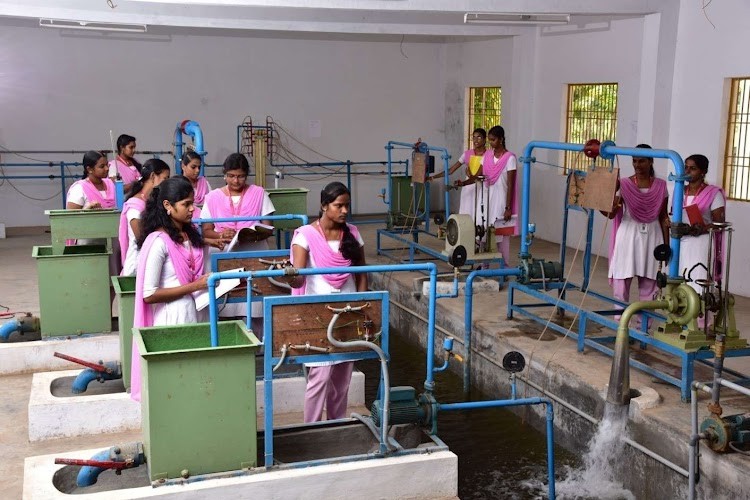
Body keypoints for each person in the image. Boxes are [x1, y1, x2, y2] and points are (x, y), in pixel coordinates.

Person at [288, 181, 367, 423]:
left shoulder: (352, 233)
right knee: (319, 376)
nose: (344, 211)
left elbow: (362, 273)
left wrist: (364, 307)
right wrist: (288, 274)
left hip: (348, 312)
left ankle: (336, 423)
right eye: (338, 206)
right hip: (318, 314)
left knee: (342, 379)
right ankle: (310, 429)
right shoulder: (306, 236)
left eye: (347, 206)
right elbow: (297, 280)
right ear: (324, 206)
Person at [130, 176, 209, 401]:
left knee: (194, 375)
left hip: (197, 310)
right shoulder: (158, 241)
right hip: (173, 317)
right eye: (186, 204)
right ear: (168, 205)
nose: (193, 209)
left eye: (193, 203)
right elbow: (149, 294)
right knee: (178, 379)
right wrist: (194, 285)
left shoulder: (189, 234)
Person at [201, 153, 275, 321]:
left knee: (253, 299)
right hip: (224, 253)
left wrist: (253, 234)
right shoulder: (212, 197)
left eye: (241, 176)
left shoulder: (259, 193)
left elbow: (269, 227)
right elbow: (206, 230)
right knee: (225, 299)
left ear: (246, 176)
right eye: (231, 176)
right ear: (224, 175)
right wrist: (221, 234)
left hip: (253, 250)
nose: (235, 181)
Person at [603, 144, 669, 327]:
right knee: (621, 281)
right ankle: (620, 325)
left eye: (641, 161)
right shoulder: (624, 184)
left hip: (652, 237)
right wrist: (601, 197)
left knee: (649, 283)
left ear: (650, 162)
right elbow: (610, 212)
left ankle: (643, 328)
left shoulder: (661, 186)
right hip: (629, 235)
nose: (637, 165)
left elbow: (663, 217)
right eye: (634, 161)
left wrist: (667, 247)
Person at [678, 154, 726, 298]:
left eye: (692, 168)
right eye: (686, 167)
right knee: (681, 284)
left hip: (701, 244)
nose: (687, 171)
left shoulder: (713, 193)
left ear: (703, 171)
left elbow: (720, 224)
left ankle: (702, 320)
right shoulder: (680, 190)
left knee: (698, 285)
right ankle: (683, 320)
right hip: (682, 243)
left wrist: (702, 228)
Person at [118, 159, 170, 276]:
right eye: (165, 179)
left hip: (152, 260)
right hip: (137, 265)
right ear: (153, 176)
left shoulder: (152, 201)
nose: (166, 184)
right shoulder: (135, 206)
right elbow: (142, 238)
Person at [427, 128, 487, 219]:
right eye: (473, 137)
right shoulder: (467, 154)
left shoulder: (489, 155)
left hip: (482, 187)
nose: (475, 140)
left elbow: (484, 173)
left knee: (481, 215)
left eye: (479, 137)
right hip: (468, 188)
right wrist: (433, 177)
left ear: (484, 139)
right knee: (466, 215)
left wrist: (470, 174)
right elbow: (451, 170)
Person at [480, 125, 518, 265]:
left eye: (493, 140)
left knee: (502, 234)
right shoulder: (488, 155)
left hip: (501, 199)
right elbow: (480, 173)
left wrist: (508, 207)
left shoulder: (510, 158)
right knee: (484, 231)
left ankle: (505, 267)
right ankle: (484, 265)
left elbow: (510, 184)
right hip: (487, 197)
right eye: (489, 140)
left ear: (501, 139)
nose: (491, 143)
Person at [180, 151, 211, 219]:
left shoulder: (205, 183)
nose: (197, 170)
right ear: (183, 166)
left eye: (199, 167)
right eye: (193, 167)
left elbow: (211, 204)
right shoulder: (178, 185)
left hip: (204, 221)